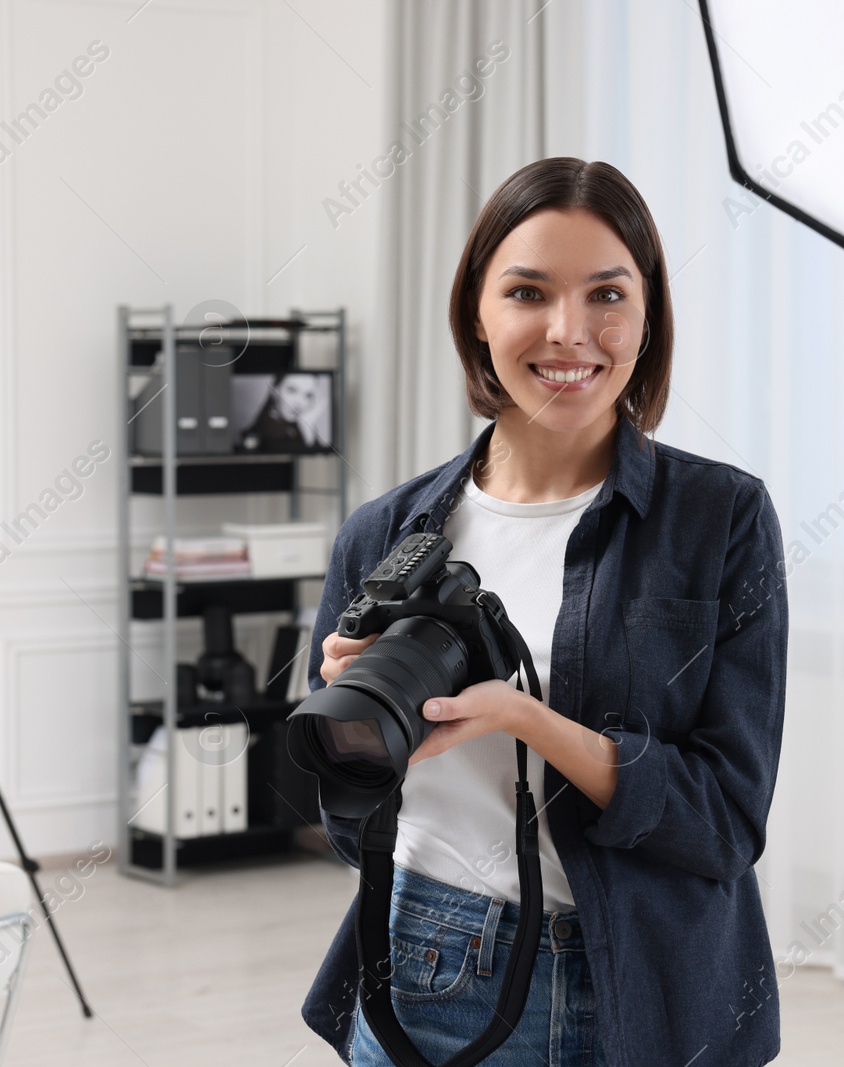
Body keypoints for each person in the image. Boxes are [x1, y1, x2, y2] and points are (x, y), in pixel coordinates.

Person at [299, 157, 789, 1066]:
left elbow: (726, 820)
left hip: (650, 984)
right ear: (477, 315)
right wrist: (367, 724)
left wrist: (528, 720)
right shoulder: (384, 533)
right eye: (528, 291)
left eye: (607, 294)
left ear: (647, 319)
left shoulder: (719, 519)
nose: (570, 332)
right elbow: (340, 813)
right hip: (421, 964)